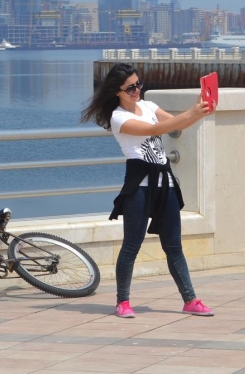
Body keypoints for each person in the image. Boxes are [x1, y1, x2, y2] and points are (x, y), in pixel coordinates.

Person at [81, 63, 214, 318]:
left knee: (174, 246)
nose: (137, 90)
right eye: (130, 88)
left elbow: (175, 126)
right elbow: (154, 130)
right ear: (117, 91)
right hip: (139, 187)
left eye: (138, 84)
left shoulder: (150, 107)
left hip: (165, 183)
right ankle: (123, 302)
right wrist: (193, 112)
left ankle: (190, 300)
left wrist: (201, 110)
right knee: (131, 245)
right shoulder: (118, 118)